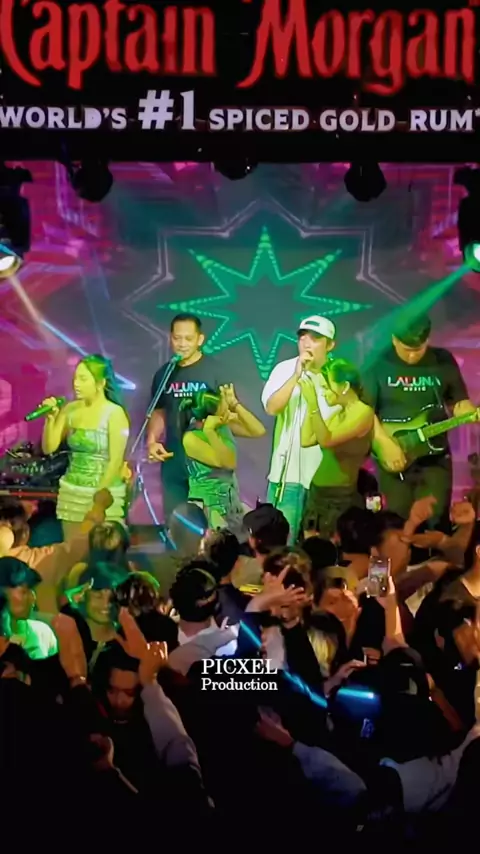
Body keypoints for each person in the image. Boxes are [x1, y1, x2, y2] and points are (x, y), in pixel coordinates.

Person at [364, 314, 478, 529]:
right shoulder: (378, 362)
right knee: (395, 523)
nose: (411, 355)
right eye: (406, 349)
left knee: (435, 521)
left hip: (435, 455)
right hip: (394, 453)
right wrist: (383, 443)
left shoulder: (442, 360)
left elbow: (458, 402)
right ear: (394, 339)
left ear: (428, 340)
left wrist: (469, 412)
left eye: (418, 349)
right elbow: (365, 411)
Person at [261, 315, 338, 542]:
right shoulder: (284, 369)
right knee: (281, 543)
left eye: (315, 338)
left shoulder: (338, 374)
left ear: (330, 345)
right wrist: (296, 375)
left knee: (319, 545)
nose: (306, 343)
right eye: (303, 337)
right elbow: (272, 408)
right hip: (287, 477)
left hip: (324, 478)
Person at [146, 314, 227, 523]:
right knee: (176, 522)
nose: (182, 344)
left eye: (188, 339)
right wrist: (152, 441)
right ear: (170, 338)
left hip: (206, 463)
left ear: (200, 339)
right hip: (174, 460)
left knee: (210, 524)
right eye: (177, 338)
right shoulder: (164, 373)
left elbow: (228, 413)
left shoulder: (216, 371)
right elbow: (159, 411)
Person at [41, 355, 130, 539]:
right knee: (72, 548)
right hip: (72, 491)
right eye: (75, 378)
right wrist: (50, 419)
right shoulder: (70, 410)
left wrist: (97, 502)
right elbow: (49, 448)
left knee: (101, 545)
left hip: (103, 493)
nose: (76, 384)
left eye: (83, 379)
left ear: (101, 383)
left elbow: (115, 461)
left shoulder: (114, 413)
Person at [300, 359, 374, 538]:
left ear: (345, 386)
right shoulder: (337, 414)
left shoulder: (363, 413)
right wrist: (310, 405)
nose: (324, 392)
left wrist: (314, 405)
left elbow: (326, 440)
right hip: (317, 493)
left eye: (326, 387)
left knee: (334, 547)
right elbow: (306, 439)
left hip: (339, 497)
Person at [180, 384, 265, 535]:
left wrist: (235, 405)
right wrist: (210, 432)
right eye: (223, 408)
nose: (227, 411)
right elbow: (228, 463)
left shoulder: (222, 426)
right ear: (210, 417)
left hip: (230, 502)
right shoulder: (191, 438)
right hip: (210, 507)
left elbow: (258, 430)